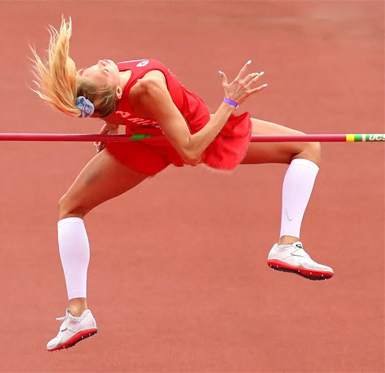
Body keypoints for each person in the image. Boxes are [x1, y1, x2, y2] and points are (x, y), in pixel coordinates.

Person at [31, 18, 333, 352]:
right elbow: (190, 151)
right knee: (307, 146)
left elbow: (107, 107)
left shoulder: (98, 96)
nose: (103, 63)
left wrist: (113, 127)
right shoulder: (143, 89)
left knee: (70, 207)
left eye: (94, 66)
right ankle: (287, 245)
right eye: (101, 70)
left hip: (150, 141)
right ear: (116, 93)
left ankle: (78, 314)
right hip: (196, 135)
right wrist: (230, 103)